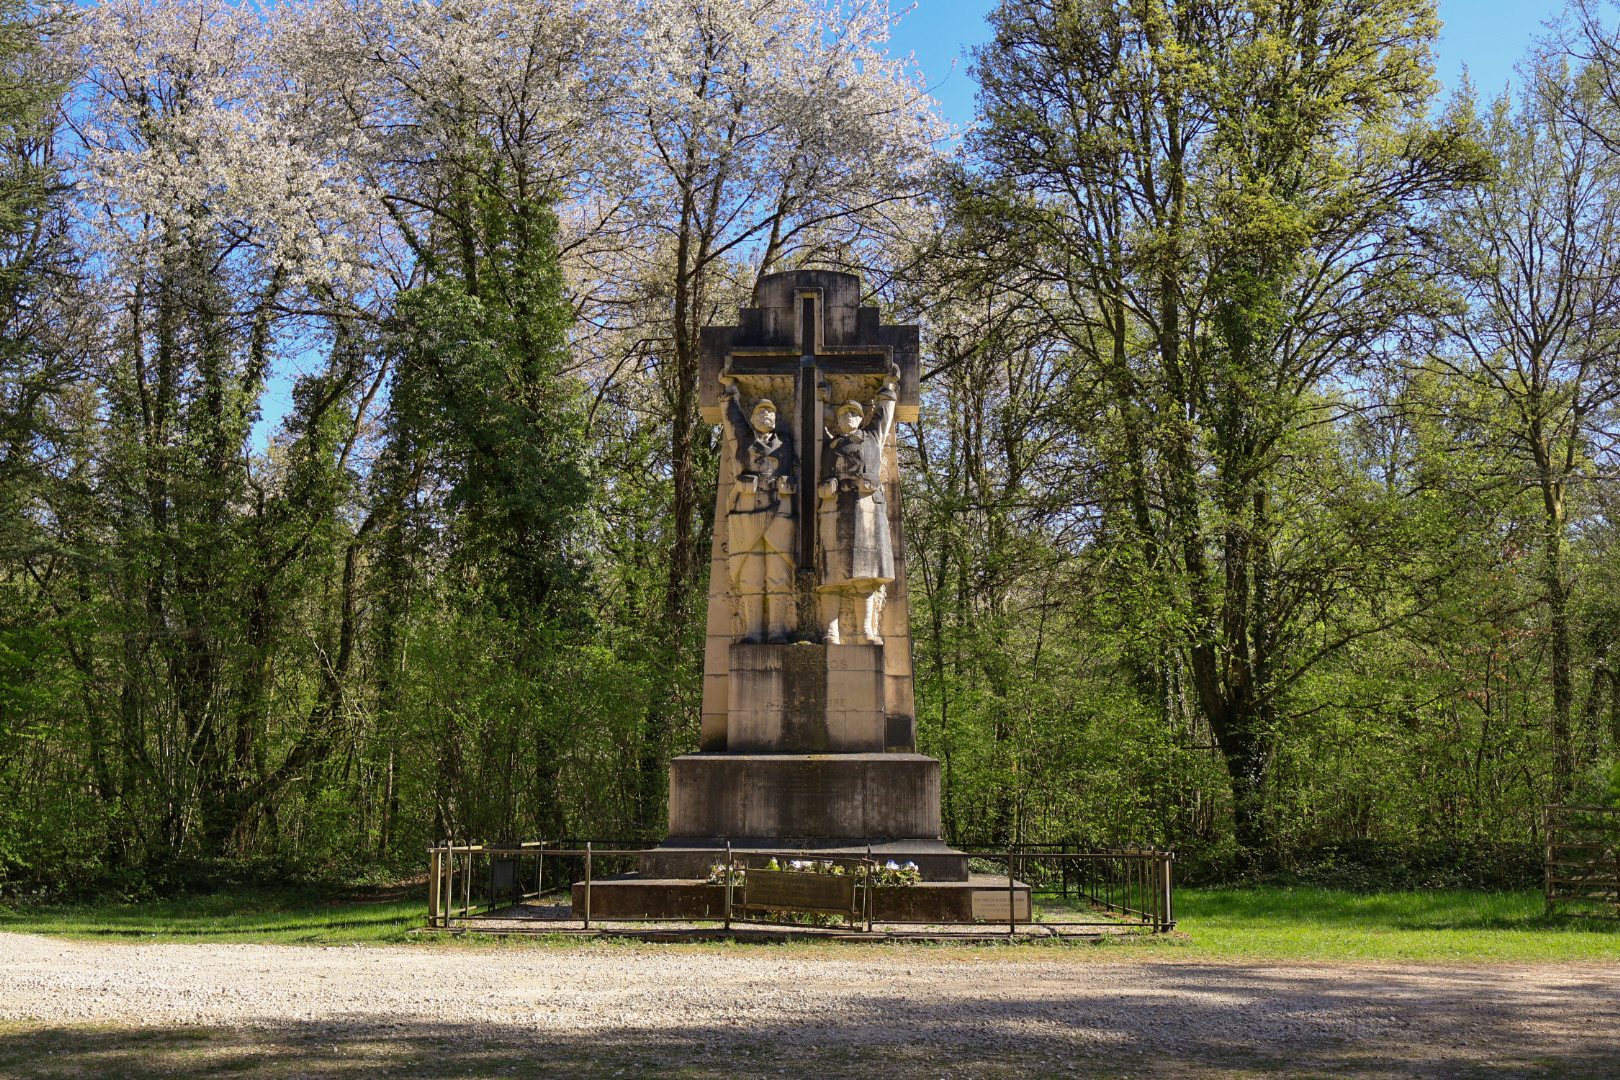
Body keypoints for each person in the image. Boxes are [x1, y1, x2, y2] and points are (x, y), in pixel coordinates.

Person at [816, 365, 899, 644]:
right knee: (831, 573)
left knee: (865, 575)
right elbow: (822, 474)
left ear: (861, 418)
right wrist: (826, 487)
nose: (848, 418)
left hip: (865, 509)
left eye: (853, 413)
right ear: (837, 421)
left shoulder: (872, 438)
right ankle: (832, 631)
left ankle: (865, 630)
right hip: (835, 510)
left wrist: (888, 387)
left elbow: (885, 415)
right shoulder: (830, 445)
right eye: (843, 415)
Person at [719, 374, 797, 643]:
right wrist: (729, 390)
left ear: (776, 419)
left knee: (778, 573)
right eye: (761, 411)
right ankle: (753, 631)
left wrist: (790, 485)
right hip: (748, 514)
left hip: (780, 514)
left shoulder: (786, 443)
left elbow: (800, 473)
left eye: (770, 411)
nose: (766, 415)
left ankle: (777, 630)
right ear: (752, 419)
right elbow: (732, 421)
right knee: (751, 574)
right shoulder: (744, 441)